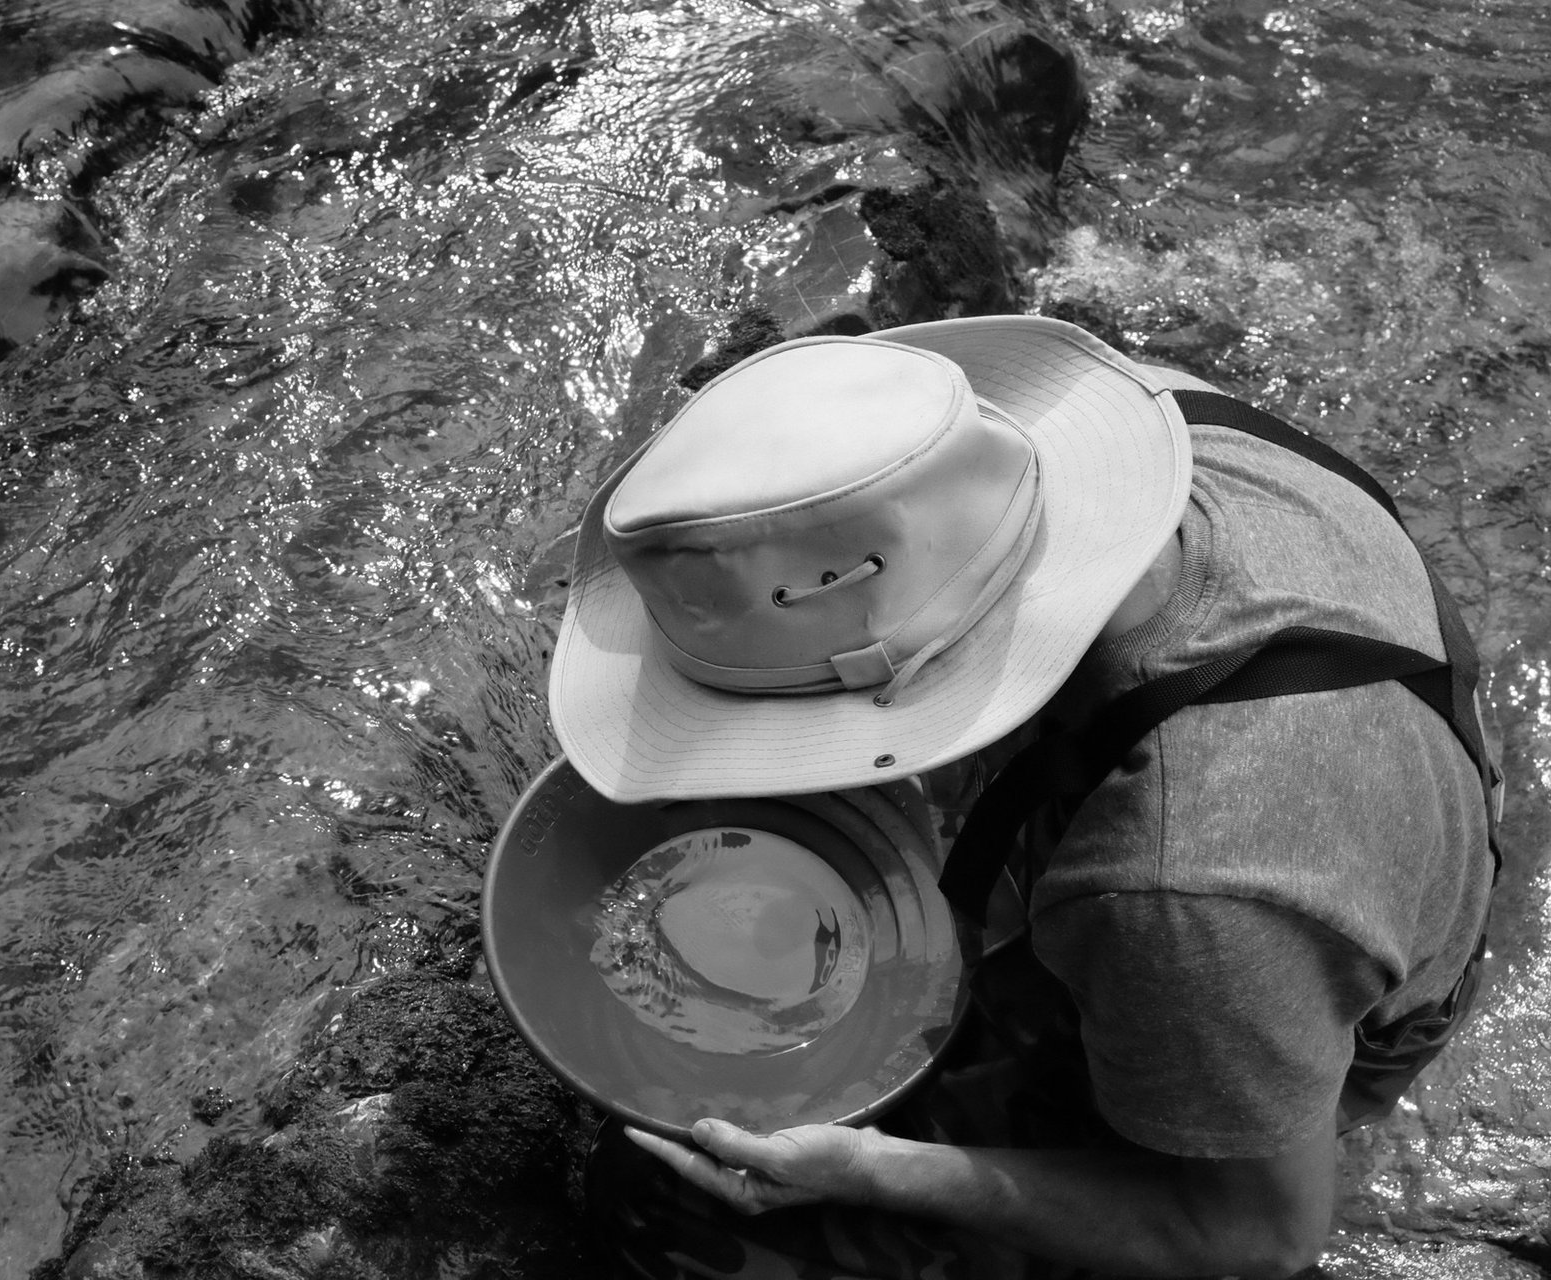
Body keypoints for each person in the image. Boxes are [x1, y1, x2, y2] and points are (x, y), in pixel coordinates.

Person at [543, 317, 1499, 1279]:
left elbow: (1254, 1238)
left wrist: (874, 1172)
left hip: (1288, 961)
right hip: (1347, 808)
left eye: (789, 726)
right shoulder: (1127, 434)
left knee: (670, 1226)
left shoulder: (1177, 890)